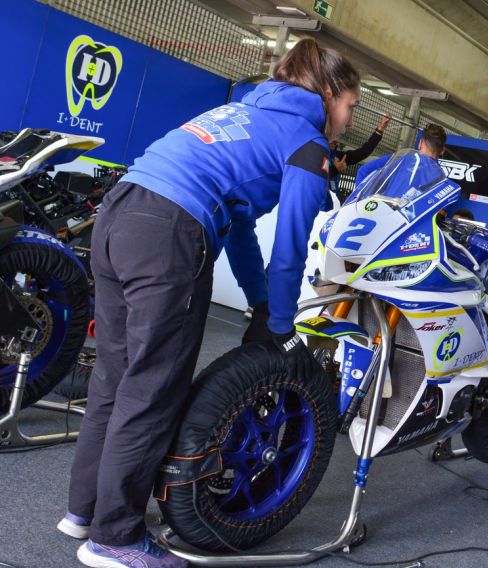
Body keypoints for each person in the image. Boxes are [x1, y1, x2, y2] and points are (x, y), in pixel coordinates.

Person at [58, 38, 360, 568]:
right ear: (329, 94)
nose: (349, 121)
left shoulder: (241, 112)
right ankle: (115, 538)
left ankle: (86, 511)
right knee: (153, 388)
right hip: (168, 232)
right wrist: (282, 324)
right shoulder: (307, 145)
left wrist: (262, 305)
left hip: (118, 212)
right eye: (351, 106)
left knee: (115, 377)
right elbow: (289, 248)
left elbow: (241, 226)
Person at [354, 122, 448, 185]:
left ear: (420, 143)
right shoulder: (441, 179)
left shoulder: (402, 158)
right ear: (442, 150)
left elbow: (363, 171)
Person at [328, 112, 391, 199]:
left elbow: (363, 152)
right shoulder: (315, 151)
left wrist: (379, 130)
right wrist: (334, 169)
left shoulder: (337, 155)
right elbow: (313, 176)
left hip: (332, 203)